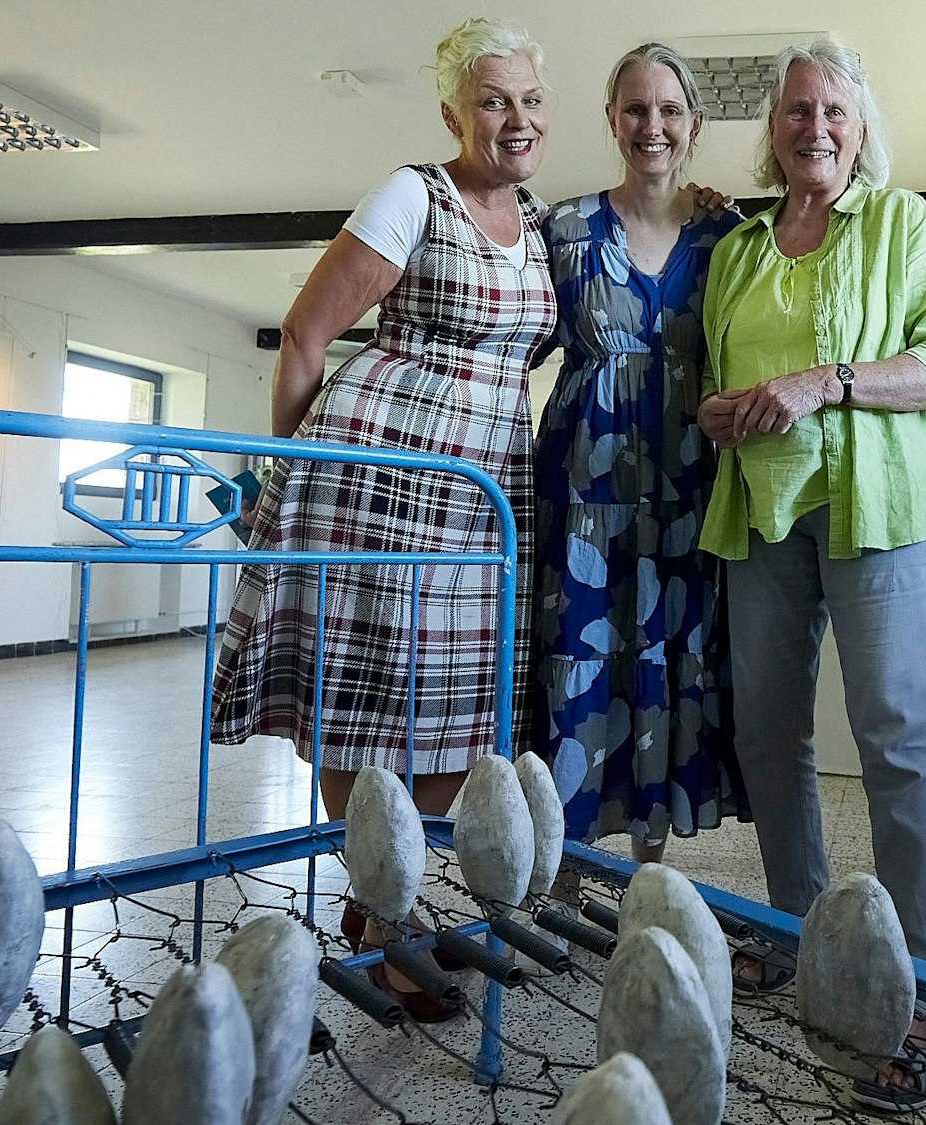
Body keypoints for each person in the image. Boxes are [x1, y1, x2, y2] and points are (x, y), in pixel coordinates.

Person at [209, 16, 555, 1023]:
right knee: (363, 706)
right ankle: (391, 921)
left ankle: (381, 902)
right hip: (378, 477)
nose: (515, 118)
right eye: (492, 100)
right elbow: (308, 336)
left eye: (529, 99)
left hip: (487, 488)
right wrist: (289, 481)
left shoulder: (539, 222)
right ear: (454, 113)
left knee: (457, 715)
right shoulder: (415, 193)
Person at [696, 39, 926, 1110]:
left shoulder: (903, 224)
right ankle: (800, 932)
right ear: (773, 131)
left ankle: (924, 996)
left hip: (878, 512)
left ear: (859, 130)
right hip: (761, 512)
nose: (814, 127)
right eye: (796, 111)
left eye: (833, 112)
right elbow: (714, 388)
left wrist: (829, 380)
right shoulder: (739, 248)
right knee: (769, 735)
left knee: (897, 743)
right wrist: (720, 411)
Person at [531, 43, 748, 869]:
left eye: (667, 110)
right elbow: (518, 343)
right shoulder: (567, 229)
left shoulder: (731, 236)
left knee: (668, 656)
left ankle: (650, 868)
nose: (650, 125)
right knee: (579, 660)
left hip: (688, 491)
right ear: (612, 120)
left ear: (693, 123)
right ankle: (556, 871)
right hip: (582, 495)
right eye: (634, 109)